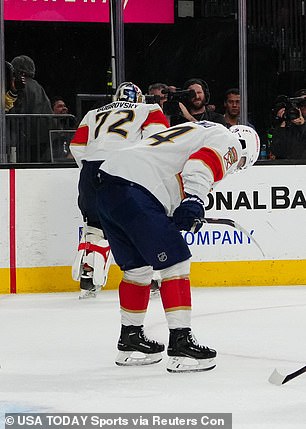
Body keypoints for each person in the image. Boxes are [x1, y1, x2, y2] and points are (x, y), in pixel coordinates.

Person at [75, 120, 260, 372]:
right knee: (177, 261)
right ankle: (181, 343)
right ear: (245, 152)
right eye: (238, 164)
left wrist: (174, 210)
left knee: (137, 268)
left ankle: (130, 341)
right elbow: (201, 164)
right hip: (135, 188)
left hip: (107, 185)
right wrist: (194, 199)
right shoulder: (228, 140)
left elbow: (165, 171)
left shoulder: (194, 130)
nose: (233, 165)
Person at [70, 82, 169, 299]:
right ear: (140, 97)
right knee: (139, 222)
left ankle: (89, 273)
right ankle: (150, 276)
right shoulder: (148, 109)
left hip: (90, 170)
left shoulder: (93, 113)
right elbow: (158, 140)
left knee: (95, 227)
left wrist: (93, 170)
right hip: (123, 169)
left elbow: (76, 147)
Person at [270, 94, 306, 160]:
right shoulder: (286, 125)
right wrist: (283, 122)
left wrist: (302, 125)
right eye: (301, 105)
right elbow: (276, 151)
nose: (303, 109)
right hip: (286, 167)